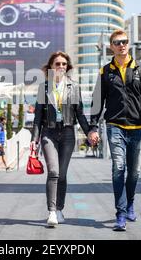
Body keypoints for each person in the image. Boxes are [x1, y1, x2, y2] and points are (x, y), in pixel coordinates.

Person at [89, 29, 141, 232]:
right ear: (111, 46)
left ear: (128, 44)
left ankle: (130, 203)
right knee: (119, 168)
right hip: (115, 125)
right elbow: (97, 101)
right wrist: (93, 127)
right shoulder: (105, 71)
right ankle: (120, 213)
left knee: (134, 172)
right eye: (117, 42)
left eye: (124, 41)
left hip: (137, 127)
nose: (121, 45)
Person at [30, 51, 96, 227]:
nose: (60, 67)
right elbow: (37, 116)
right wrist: (34, 139)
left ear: (67, 67)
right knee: (53, 172)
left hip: (67, 133)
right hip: (48, 133)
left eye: (63, 64)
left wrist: (89, 131)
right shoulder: (44, 88)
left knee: (63, 175)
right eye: (57, 64)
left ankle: (59, 208)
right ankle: (51, 212)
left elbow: (79, 114)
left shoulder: (73, 87)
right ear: (51, 67)